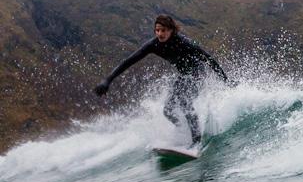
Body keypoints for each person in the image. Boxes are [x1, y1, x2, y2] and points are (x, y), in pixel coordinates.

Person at [94, 14, 228, 147]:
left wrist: (225, 80)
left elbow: (207, 58)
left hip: (197, 74)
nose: (160, 34)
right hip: (184, 75)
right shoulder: (154, 45)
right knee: (168, 110)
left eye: (163, 30)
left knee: (184, 102)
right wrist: (108, 80)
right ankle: (185, 132)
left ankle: (197, 141)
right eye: (157, 30)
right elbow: (128, 61)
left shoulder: (183, 42)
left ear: (171, 30)